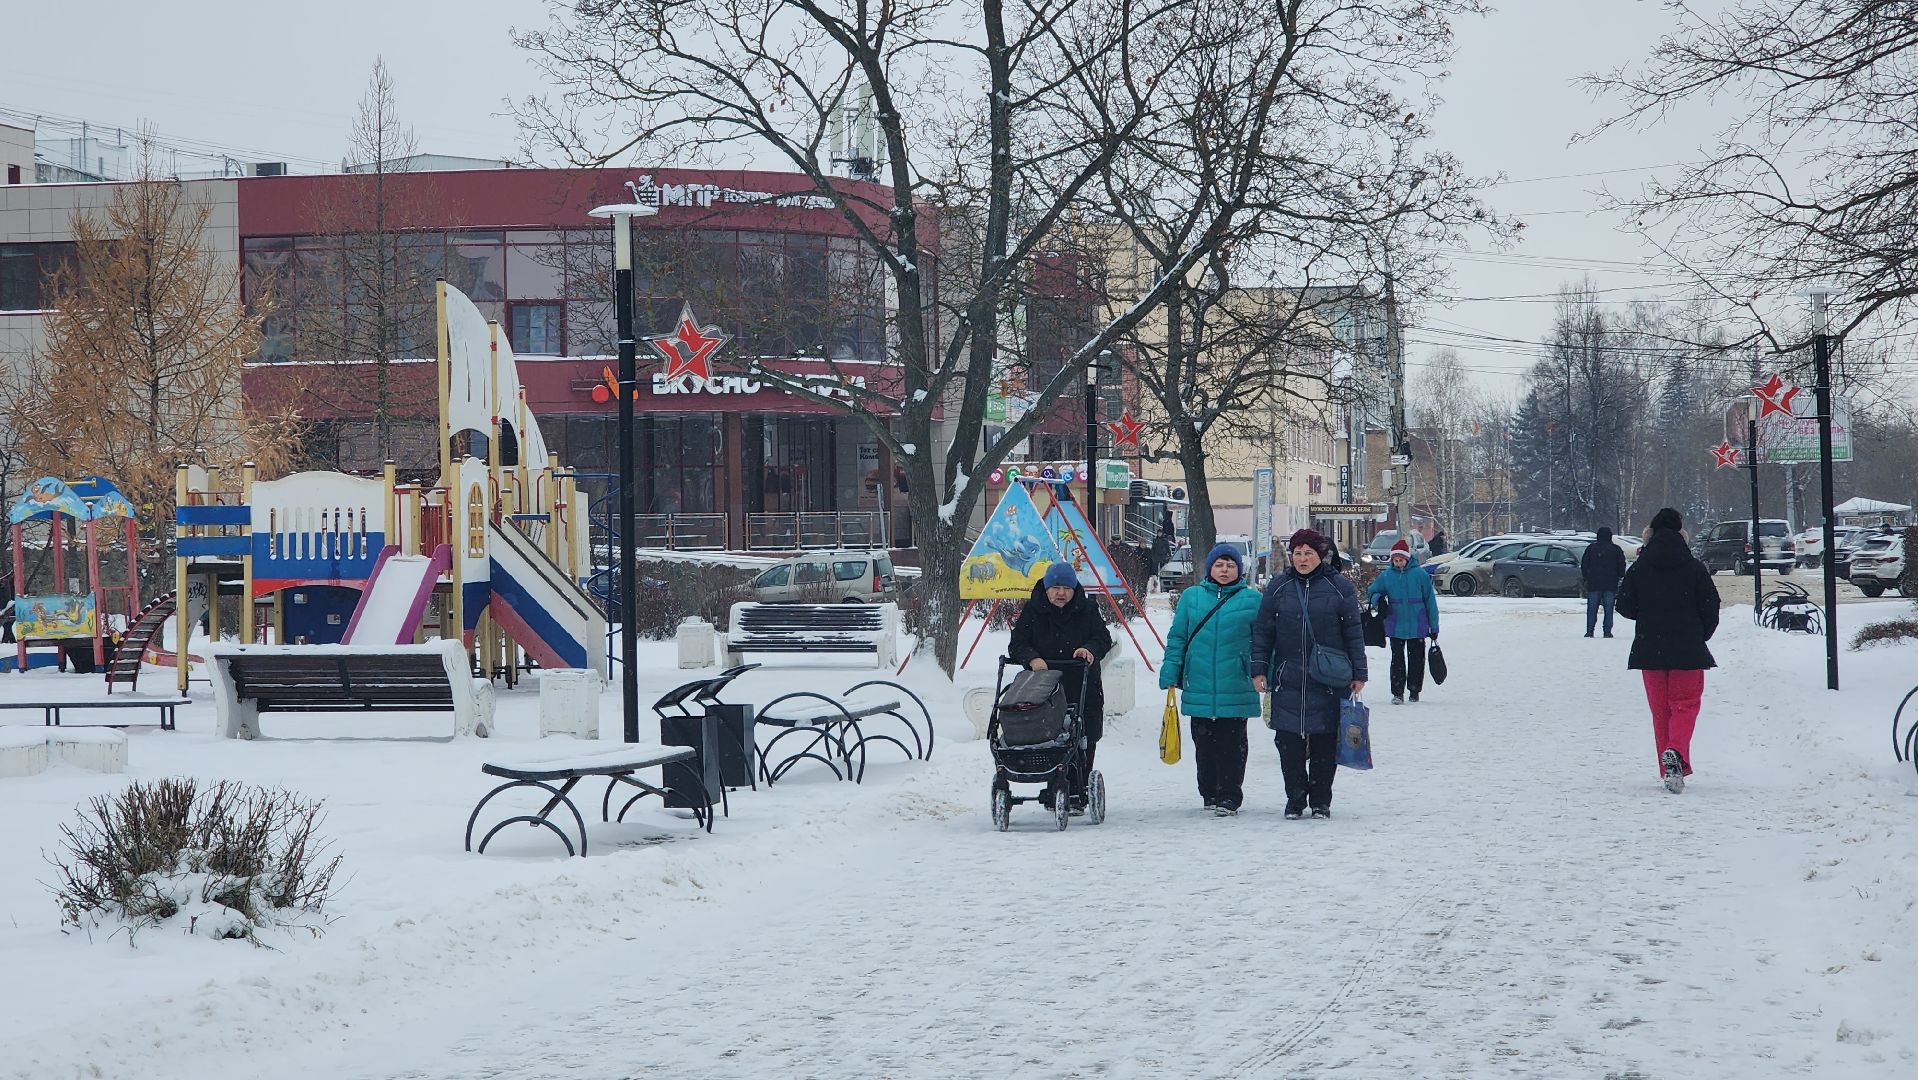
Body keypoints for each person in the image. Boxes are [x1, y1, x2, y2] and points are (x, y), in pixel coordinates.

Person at [1250, 528, 1368, 819]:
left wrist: (1359, 672)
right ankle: (1295, 798)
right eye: (1297, 553)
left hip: (1328, 677)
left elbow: (1354, 633)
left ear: (1321, 555)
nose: (1302, 559)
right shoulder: (1278, 587)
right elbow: (1263, 632)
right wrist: (1258, 668)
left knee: (1324, 744)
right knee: (1288, 743)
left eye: (1308, 553)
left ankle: (1320, 800)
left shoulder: (1339, 587)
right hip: (1287, 675)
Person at [1616, 507, 1720, 794]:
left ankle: (1668, 768)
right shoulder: (1694, 567)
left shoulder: (1640, 567)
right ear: (1681, 534)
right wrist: (1701, 635)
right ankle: (1676, 751)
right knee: (1685, 705)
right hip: (1687, 649)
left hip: (1650, 649)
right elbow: (1711, 605)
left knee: (1660, 711)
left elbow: (1624, 606)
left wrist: (1649, 612)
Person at [1158, 543, 1263, 815]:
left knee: (1233, 744)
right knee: (1203, 744)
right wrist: (1171, 670)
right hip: (1199, 680)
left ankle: (1229, 795)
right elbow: (1178, 637)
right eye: (1219, 565)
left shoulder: (1252, 600)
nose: (1224, 570)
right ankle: (1209, 791)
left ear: (1239, 570)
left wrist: (1263, 670)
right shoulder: (1192, 597)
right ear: (1209, 569)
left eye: (1230, 565)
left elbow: (1263, 642)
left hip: (1236, 682)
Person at [1009, 561, 1114, 811]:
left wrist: (1089, 650)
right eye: (1055, 587)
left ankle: (1078, 790)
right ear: (1046, 588)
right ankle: (1055, 786)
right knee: (1051, 738)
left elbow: (1103, 638)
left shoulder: (1087, 609)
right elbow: (1017, 644)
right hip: (1044, 687)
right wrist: (1032, 659)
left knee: (1083, 737)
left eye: (1066, 587)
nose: (1061, 593)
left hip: (1082, 683)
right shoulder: (1033, 611)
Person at [1365, 538, 1440, 704]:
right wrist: (1378, 598)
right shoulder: (1387, 576)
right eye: (1395, 560)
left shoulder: (1420, 575)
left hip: (1418, 623)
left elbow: (1430, 602)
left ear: (1407, 558)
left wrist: (1434, 626)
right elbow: (1371, 592)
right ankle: (1397, 692)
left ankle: (1414, 690)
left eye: (1401, 560)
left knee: (1417, 660)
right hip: (1395, 622)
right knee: (1397, 660)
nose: (1398, 563)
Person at [1581, 526, 1628, 638]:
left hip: (1594, 583)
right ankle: (1607, 631)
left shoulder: (1591, 548)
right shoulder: (1616, 549)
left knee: (1592, 609)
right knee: (1608, 609)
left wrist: (1587, 577)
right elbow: (1622, 566)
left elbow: (1584, 565)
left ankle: (1590, 630)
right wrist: (1619, 576)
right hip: (1610, 583)